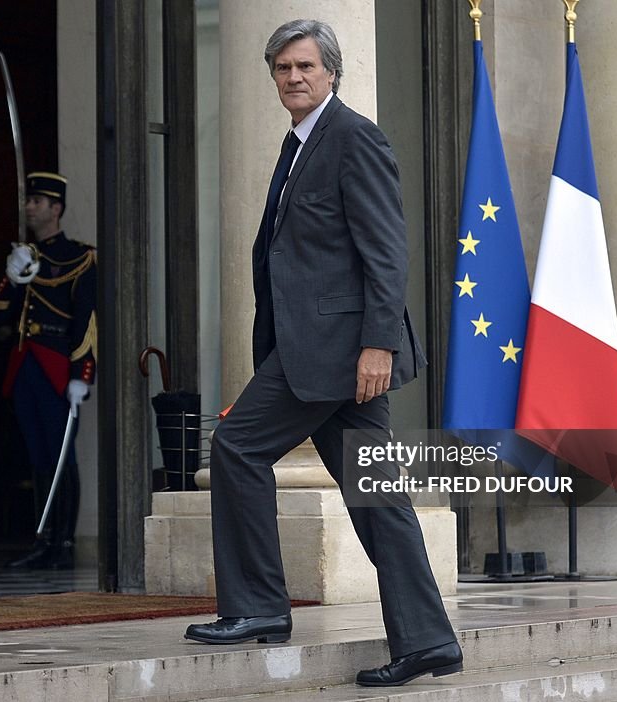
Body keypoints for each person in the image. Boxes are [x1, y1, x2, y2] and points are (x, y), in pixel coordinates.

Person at [183, 20, 462, 686]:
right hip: (316, 351)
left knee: (237, 446)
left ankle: (257, 608)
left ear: (331, 71)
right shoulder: (299, 142)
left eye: (305, 66)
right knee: (376, 494)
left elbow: (386, 252)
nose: (293, 78)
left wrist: (377, 345)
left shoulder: (353, 137)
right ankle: (427, 640)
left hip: (339, 351)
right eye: (281, 68)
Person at [0, 171, 97, 570]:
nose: (29, 207)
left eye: (37, 201)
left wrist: (81, 375)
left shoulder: (80, 257)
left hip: (56, 369)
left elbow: (85, 321)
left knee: (62, 457)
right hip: (26, 366)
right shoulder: (25, 256)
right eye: (28, 200)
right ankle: (43, 540)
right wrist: (14, 279)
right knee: (38, 458)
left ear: (56, 208)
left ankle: (63, 543)